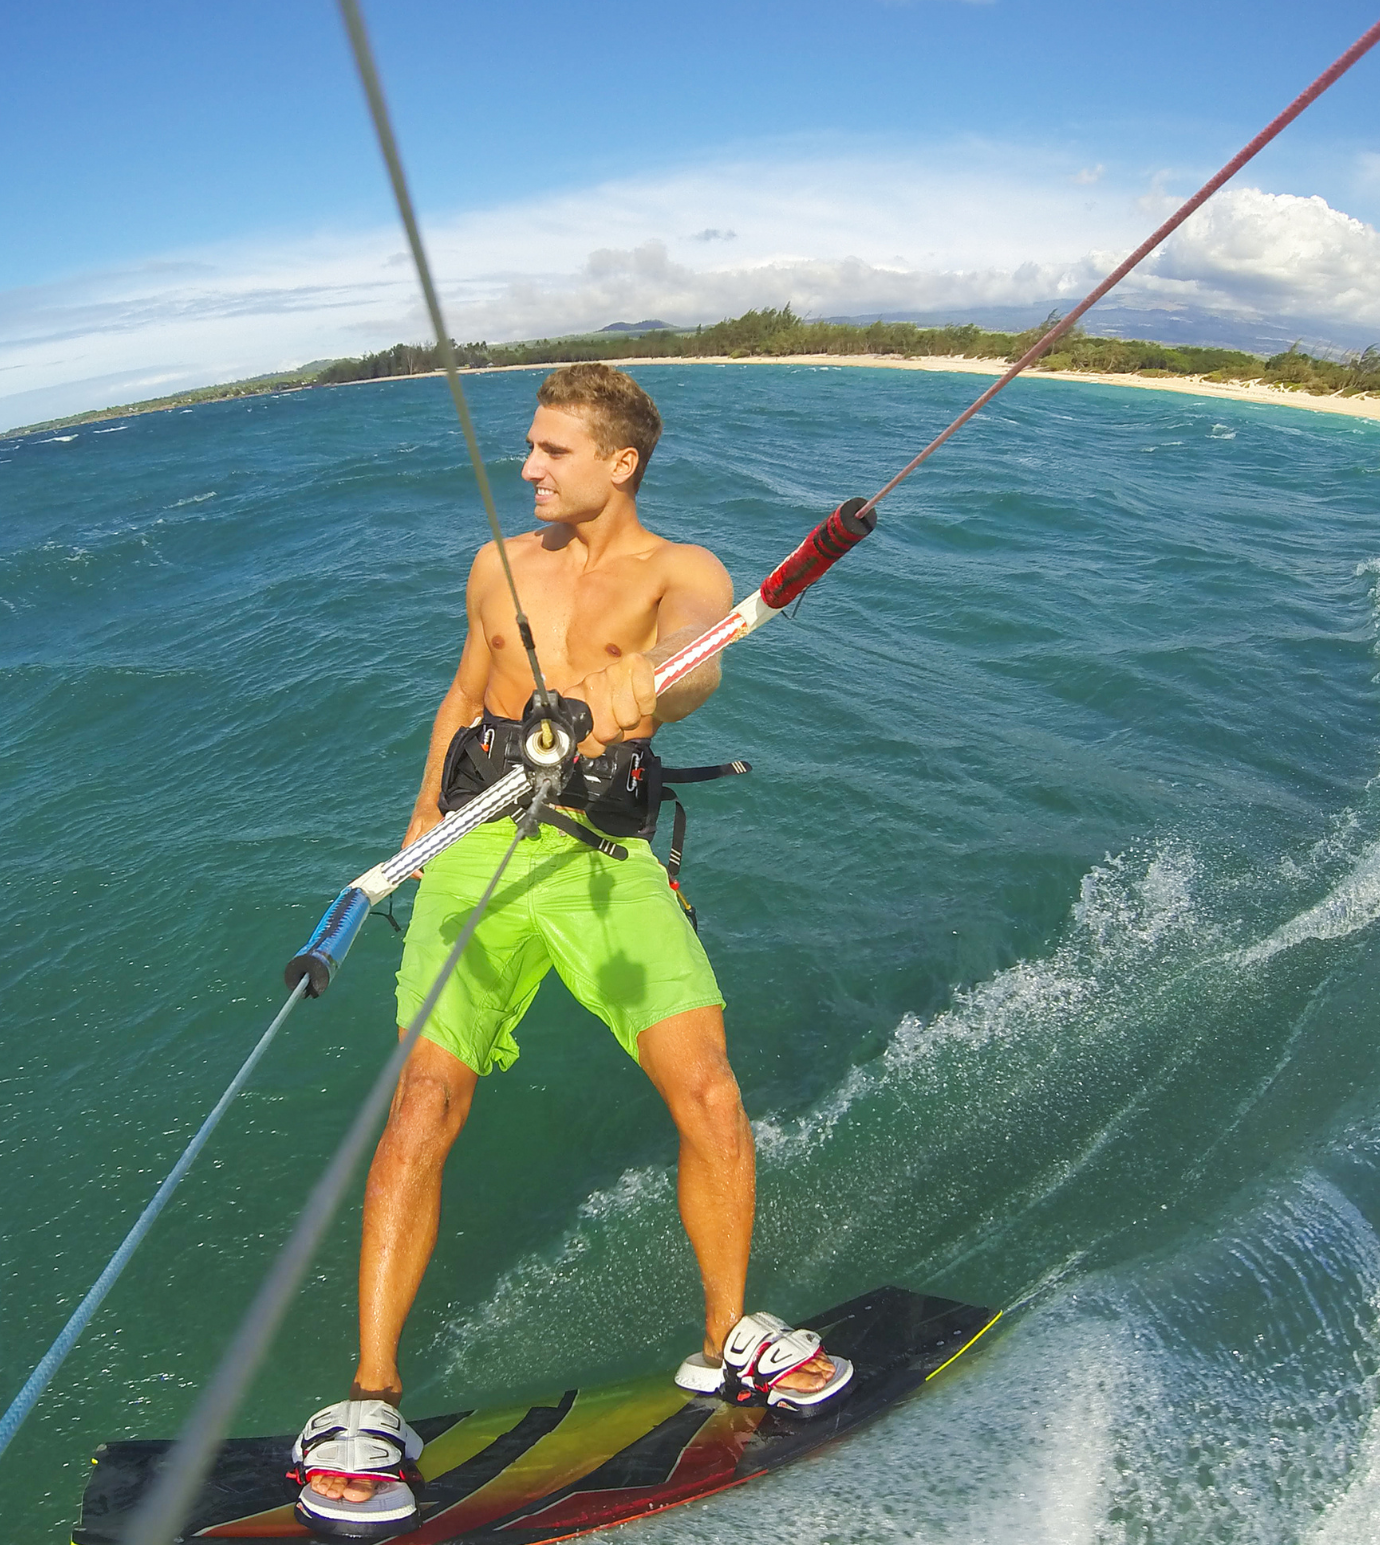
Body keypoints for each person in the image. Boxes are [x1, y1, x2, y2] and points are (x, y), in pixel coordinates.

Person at [292, 364, 851, 1537]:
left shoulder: (679, 571)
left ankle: (727, 1340)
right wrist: (412, 840)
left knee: (706, 1091)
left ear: (619, 462)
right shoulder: (497, 565)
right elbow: (461, 693)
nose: (529, 467)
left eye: (551, 450)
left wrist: (647, 691)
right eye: (530, 447)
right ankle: (371, 1399)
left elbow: (699, 661)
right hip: (476, 862)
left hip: (604, 861)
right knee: (421, 1107)